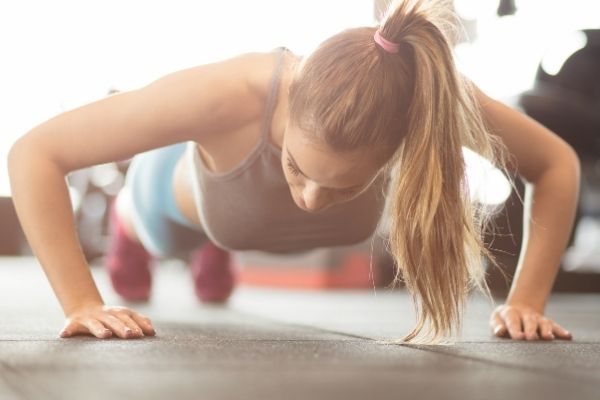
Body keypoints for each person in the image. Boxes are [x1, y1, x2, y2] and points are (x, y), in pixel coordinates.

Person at [7, 0, 578, 344]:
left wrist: (525, 301)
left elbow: (556, 163)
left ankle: (220, 248)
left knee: (244, 228)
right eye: (296, 167)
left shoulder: (423, 104)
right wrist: (82, 302)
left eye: (345, 184)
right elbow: (34, 154)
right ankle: (139, 230)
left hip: (247, 223)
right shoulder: (228, 92)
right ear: (289, 104)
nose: (309, 198)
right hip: (175, 197)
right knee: (147, 220)